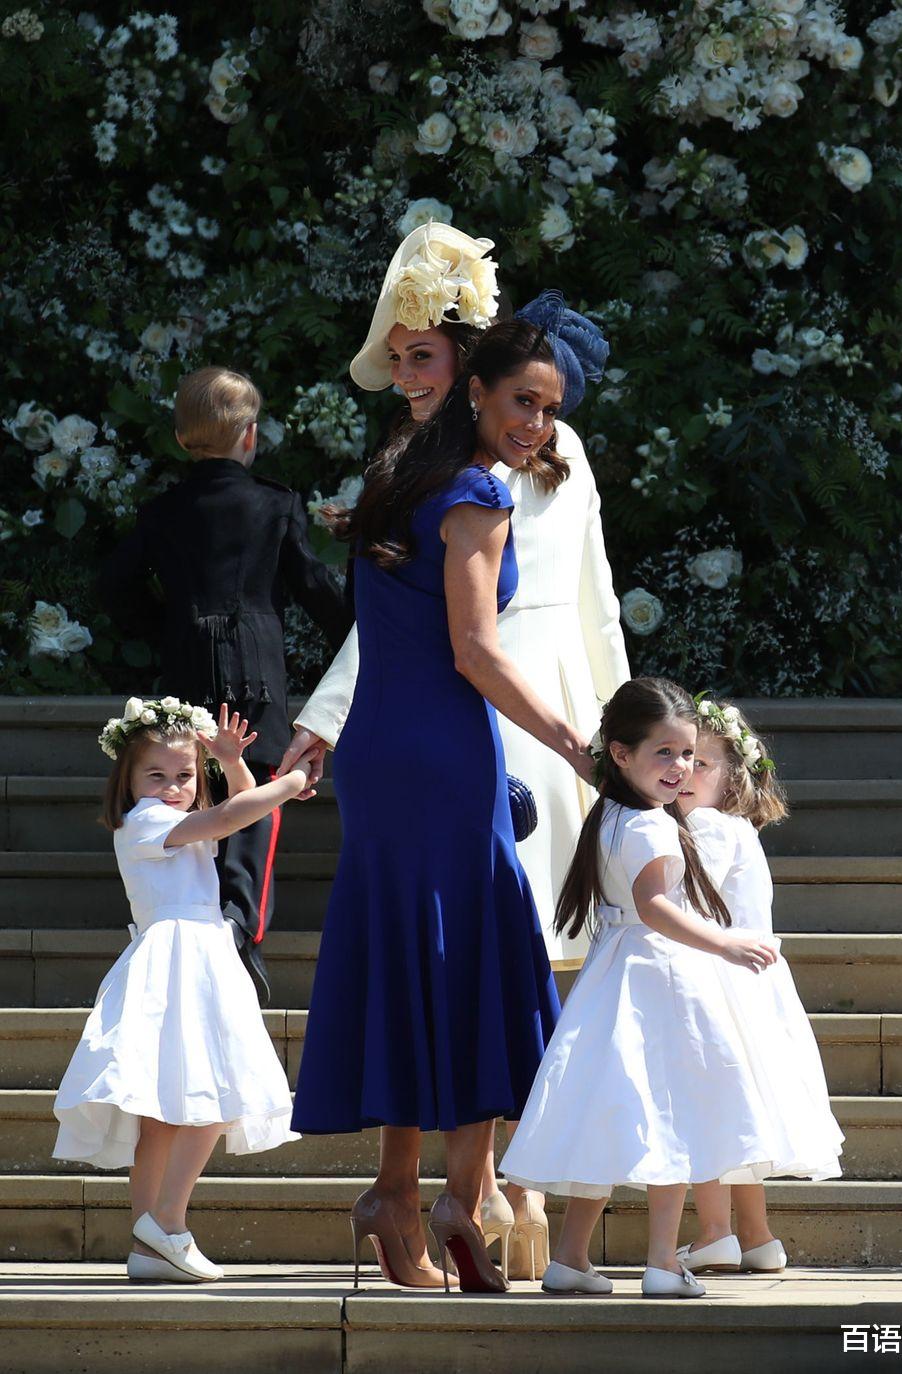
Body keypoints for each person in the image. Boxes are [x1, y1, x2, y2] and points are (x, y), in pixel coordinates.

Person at [284, 225, 629, 1279]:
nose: (535, 422)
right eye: (521, 401)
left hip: (384, 752)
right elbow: (476, 652)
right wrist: (582, 747)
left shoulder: (395, 473)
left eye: (548, 407)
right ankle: (457, 1201)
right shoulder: (476, 494)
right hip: (447, 743)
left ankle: (398, 1196)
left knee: (408, 955)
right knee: (478, 958)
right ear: (478, 390)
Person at [500, 677, 805, 1298]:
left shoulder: (611, 813)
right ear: (620, 753)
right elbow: (656, 905)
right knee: (671, 1115)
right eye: (664, 752)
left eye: (689, 754)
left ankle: (571, 1258)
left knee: (607, 1112)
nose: (681, 767)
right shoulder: (655, 826)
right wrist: (725, 941)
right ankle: (664, 1262)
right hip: (663, 975)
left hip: (613, 975)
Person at [98, 367, 351, 1003]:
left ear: (185, 437)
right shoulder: (274, 501)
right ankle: (240, 922)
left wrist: (162, 627)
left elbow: (114, 587)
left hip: (185, 668)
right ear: (249, 434)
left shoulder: (162, 510)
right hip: (257, 669)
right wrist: (362, 630)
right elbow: (314, 587)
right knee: (256, 796)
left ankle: (207, 915)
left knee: (195, 788)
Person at [52, 699, 317, 1283]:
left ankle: (149, 1247)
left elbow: (238, 813)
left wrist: (230, 762)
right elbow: (229, 818)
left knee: (167, 1117)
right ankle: (167, 1221)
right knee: (214, 1092)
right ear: (130, 780)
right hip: (181, 956)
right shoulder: (146, 821)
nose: (172, 787)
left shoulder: (175, 821)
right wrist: (292, 780)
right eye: (157, 775)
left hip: (195, 953)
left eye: (185, 776)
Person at [675, 697, 844, 1275]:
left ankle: (716, 1230)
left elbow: (686, 906)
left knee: (708, 1109)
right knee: (739, 1116)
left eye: (702, 763)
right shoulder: (736, 829)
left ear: (731, 780)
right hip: (751, 985)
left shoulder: (705, 827)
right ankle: (757, 1236)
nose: (685, 772)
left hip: (717, 980)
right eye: (679, 757)